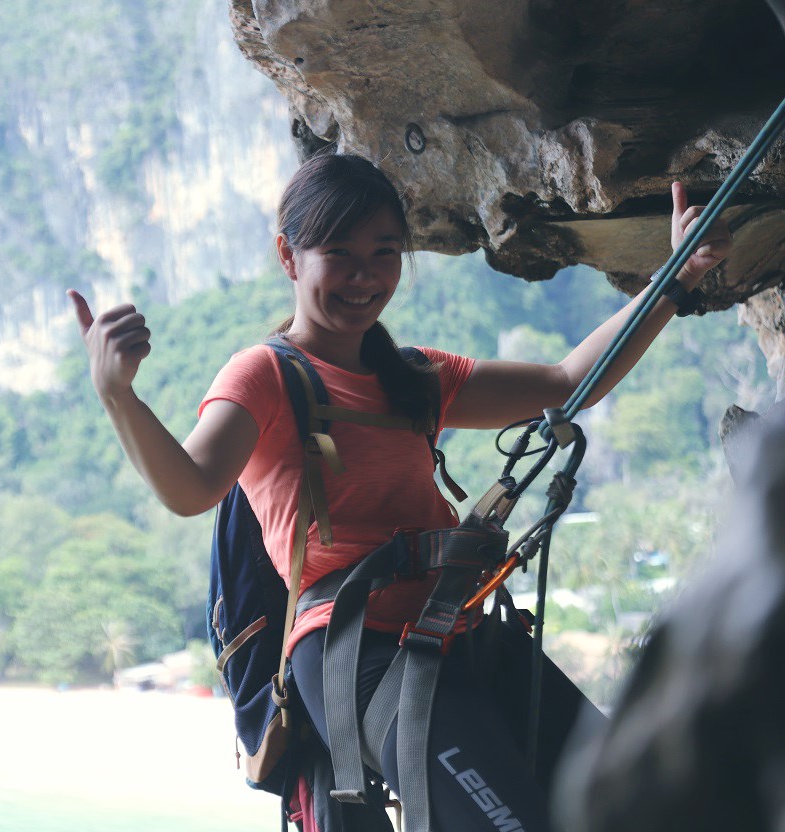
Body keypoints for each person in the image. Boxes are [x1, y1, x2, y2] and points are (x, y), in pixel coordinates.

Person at [68, 152, 732, 830]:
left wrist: (673, 281)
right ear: (289, 257)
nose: (365, 275)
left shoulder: (415, 377)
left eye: (384, 252)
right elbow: (192, 487)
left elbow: (567, 383)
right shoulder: (264, 376)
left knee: (643, 796)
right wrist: (117, 395)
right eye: (339, 253)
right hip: (356, 656)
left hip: (460, 634)